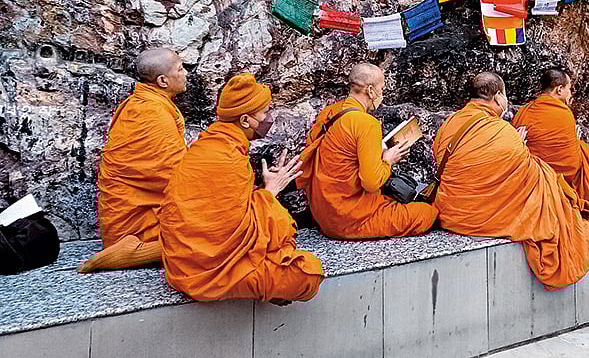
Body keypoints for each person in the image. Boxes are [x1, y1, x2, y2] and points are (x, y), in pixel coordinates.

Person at [158, 73, 324, 303]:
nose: (269, 118)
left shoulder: (207, 146)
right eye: (265, 112)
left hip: (181, 263)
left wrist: (264, 194)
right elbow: (235, 229)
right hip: (209, 271)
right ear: (245, 121)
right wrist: (270, 192)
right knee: (307, 274)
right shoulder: (226, 157)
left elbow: (227, 212)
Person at [433, 72, 589, 289]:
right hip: (482, 217)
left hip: (451, 214)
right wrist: (518, 146)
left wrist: (515, 146)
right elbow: (522, 175)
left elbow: (444, 159)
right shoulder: (503, 131)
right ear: (499, 97)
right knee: (545, 177)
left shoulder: (450, 124)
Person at [298, 63, 437, 238]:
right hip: (350, 219)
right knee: (427, 213)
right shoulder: (366, 123)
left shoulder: (329, 112)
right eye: (382, 89)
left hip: (323, 214)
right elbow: (371, 183)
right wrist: (388, 160)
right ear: (371, 91)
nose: (382, 95)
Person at [79, 48, 188, 273]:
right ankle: (131, 254)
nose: (185, 73)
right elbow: (174, 174)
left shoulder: (143, 104)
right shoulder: (151, 113)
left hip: (133, 217)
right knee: (219, 232)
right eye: (180, 69)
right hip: (132, 228)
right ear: (163, 81)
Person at [512, 68, 589, 205]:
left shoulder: (524, 111)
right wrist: (577, 145)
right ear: (559, 89)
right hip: (557, 182)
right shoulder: (563, 113)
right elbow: (571, 166)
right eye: (569, 89)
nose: (570, 94)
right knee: (583, 151)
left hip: (529, 181)